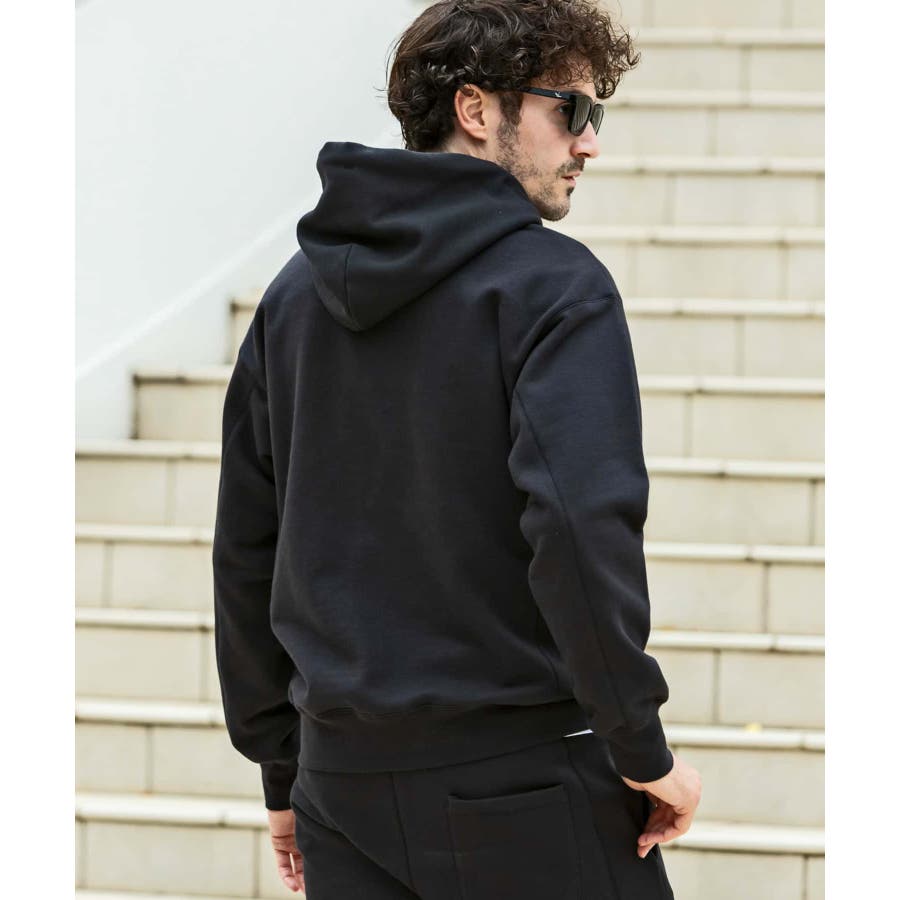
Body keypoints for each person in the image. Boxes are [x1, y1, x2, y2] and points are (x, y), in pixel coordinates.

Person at [212, 0, 702, 896]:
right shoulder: (555, 287)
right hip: (525, 785)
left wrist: (282, 770)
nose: (590, 143)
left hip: (339, 791)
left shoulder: (292, 299)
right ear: (476, 109)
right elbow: (579, 527)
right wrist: (641, 746)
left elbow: (249, 548)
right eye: (571, 109)